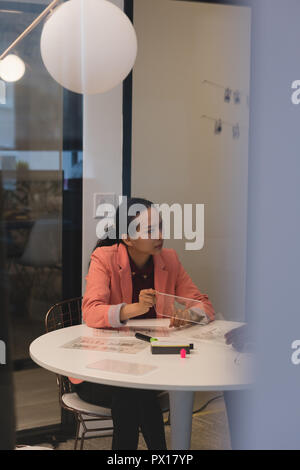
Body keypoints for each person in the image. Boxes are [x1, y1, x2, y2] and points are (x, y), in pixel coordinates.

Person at [71, 197, 214, 450]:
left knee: (137, 389)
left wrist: (190, 315)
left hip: (147, 366)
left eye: (160, 226)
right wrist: (133, 309)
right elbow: (91, 312)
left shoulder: (168, 259)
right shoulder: (104, 257)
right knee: (133, 392)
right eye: (149, 230)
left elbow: (203, 304)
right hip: (99, 373)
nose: (159, 235)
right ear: (127, 237)